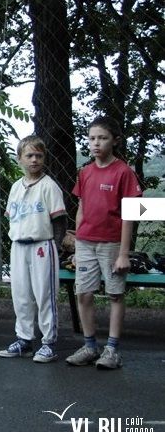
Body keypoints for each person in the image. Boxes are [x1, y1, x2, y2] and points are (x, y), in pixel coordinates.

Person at [65, 117, 143, 370]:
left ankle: (112, 349)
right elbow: (81, 208)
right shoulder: (85, 172)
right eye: (92, 138)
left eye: (102, 138)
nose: (96, 143)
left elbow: (130, 214)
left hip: (111, 244)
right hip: (86, 242)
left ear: (115, 141)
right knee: (83, 293)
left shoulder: (123, 172)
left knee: (115, 294)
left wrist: (124, 253)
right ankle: (90, 346)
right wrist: (77, 243)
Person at [0, 136, 66, 363]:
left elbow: (59, 220)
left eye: (39, 155)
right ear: (19, 159)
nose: (34, 160)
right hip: (19, 245)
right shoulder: (16, 187)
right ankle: (24, 339)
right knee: (21, 295)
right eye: (29, 155)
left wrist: (56, 247)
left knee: (45, 295)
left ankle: (49, 343)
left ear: (44, 158)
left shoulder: (49, 186)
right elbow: (12, 217)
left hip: (42, 245)